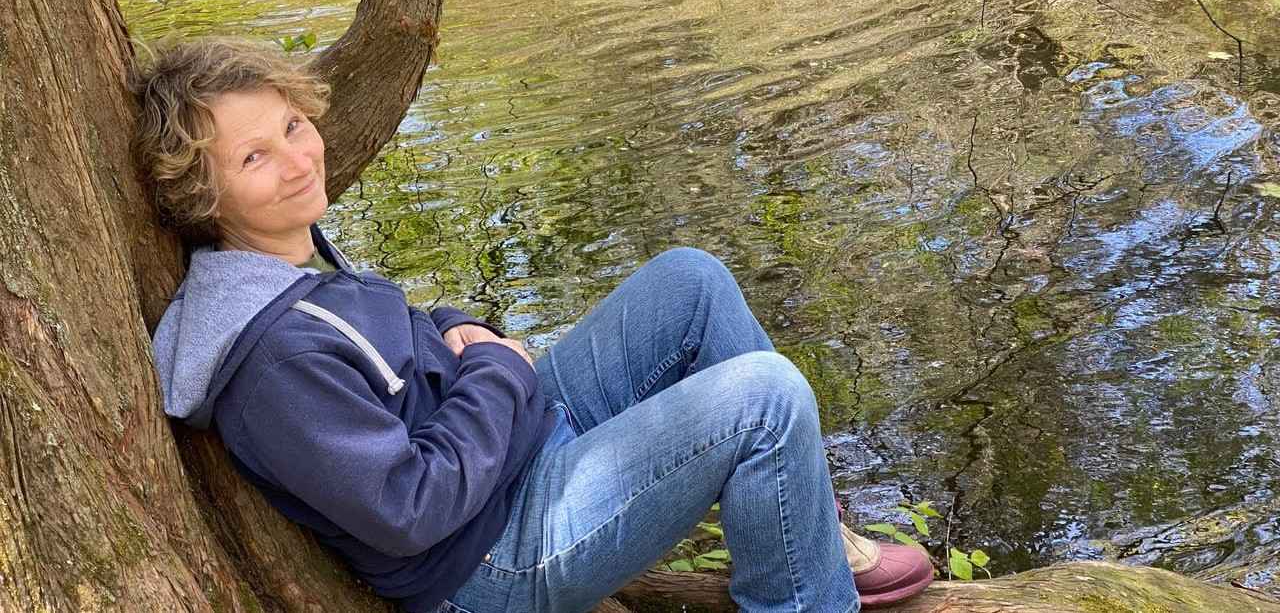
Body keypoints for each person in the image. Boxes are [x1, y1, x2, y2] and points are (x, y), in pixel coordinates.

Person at [134, 39, 933, 613]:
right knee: (765, 398)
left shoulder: (293, 260)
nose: (298, 160)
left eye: (292, 128)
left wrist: (459, 325)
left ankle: (810, 535)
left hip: (512, 460)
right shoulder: (273, 361)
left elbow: (398, 339)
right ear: (202, 197)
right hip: (491, 558)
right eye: (253, 159)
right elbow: (410, 509)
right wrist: (500, 368)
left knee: (689, 281)